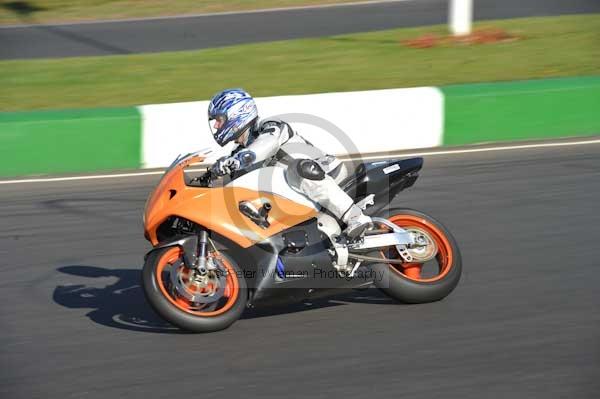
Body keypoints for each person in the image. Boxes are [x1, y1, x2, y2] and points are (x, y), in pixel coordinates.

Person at [207, 88, 371, 238]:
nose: (216, 125)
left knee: (298, 170)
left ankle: (355, 217)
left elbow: (266, 144)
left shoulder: (268, 127)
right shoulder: (237, 156)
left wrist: (238, 160)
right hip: (297, 201)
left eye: (220, 119)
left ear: (239, 113)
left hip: (327, 176)